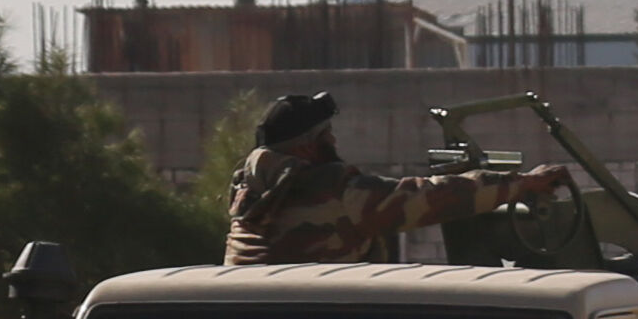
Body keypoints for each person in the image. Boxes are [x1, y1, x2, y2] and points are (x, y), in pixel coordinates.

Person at [223, 92, 571, 265]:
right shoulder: (332, 193)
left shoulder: (250, 193)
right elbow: (429, 198)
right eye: (326, 134)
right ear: (308, 147)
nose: (334, 141)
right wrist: (522, 183)